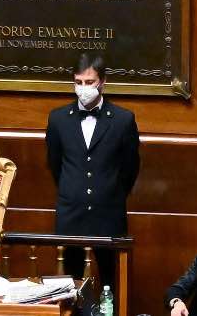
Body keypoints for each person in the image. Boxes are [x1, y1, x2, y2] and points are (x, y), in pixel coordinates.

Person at [45, 53, 140, 286]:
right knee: (71, 285)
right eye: (78, 82)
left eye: (89, 82)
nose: (83, 88)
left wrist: (109, 193)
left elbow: (130, 168)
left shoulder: (123, 120)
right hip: (72, 215)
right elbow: (55, 164)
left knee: (112, 283)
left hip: (108, 214)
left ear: (103, 82)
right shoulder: (58, 119)